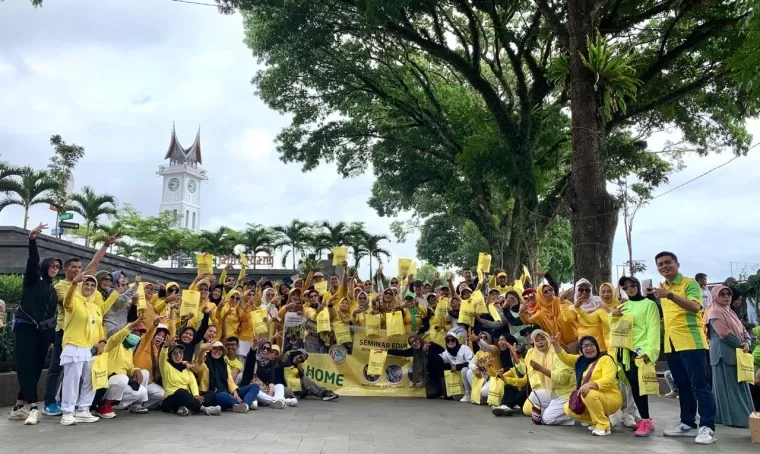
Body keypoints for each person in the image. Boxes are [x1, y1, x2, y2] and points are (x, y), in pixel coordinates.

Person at [652, 251, 716, 444]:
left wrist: (669, 295)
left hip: (691, 342)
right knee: (683, 386)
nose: (664, 266)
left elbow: (696, 307)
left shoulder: (690, 284)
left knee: (701, 386)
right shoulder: (662, 288)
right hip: (671, 345)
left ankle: (707, 427)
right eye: (660, 264)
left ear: (677, 264)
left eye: (667, 262)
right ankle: (687, 423)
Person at [10, 223, 61, 424]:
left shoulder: (53, 289)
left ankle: (18, 406)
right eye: (52, 265)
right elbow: (33, 262)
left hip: (43, 333)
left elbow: (50, 314)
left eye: (57, 267)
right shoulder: (33, 280)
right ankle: (33, 406)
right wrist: (32, 240)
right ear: (45, 267)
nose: (55, 269)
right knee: (25, 367)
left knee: (36, 367)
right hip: (26, 328)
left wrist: (50, 338)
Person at [613, 276, 661, 437]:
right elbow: (613, 326)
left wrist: (649, 351)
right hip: (623, 352)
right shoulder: (624, 306)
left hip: (639, 352)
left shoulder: (649, 305)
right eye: (625, 287)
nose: (629, 289)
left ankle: (646, 420)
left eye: (632, 285)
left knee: (640, 388)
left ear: (638, 286)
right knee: (633, 387)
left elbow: (653, 329)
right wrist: (612, 315)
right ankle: (643, 418)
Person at [496, 329, 574, 425]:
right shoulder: (536, 353)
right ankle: (553, 410)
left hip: (565, 392)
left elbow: (563, 378)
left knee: (546, 419)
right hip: (551, 390)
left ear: (548, 339)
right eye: (537, 340)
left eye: (543, 339)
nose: (540, 342)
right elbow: (527, 371)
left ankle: (571, 413)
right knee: (534, 396)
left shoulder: (556, 352)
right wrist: (514, 357)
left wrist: (541, 369)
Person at [704, 285, 754, 428]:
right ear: (715, 296)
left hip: (735, 352)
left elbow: (742, 329)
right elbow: (724, 334)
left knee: (736, 387)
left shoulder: (729, 311)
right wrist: (741, 344)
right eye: (722, 294)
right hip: (722, 355)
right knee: (728, 389)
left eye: (728, 294)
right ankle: (736, 419)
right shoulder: (714, 312)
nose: (726, 297)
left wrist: (747, 342)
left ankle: (740, 417)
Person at [552, 335, 621, 436]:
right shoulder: (580, 361)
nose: (588, 348)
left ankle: (603, 426)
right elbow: (565, 357)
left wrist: (591, 384)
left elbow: (608, 380)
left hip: (610, 397)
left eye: (591, 345)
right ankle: (599, 421)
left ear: (597, 346)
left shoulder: (606, 359)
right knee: (569, 408)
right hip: (590, 397)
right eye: (584, 346)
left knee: (589, 393)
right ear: (581, 350)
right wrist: (555, 344)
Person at [59, 274, 104, 426]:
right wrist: (73, 284)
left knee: (91, 379)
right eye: (86, 284)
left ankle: (83, 410)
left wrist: (102, 341)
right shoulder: (73, 299)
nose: (89, 287)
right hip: (75, 345)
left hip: (90, 349)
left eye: (92, 285)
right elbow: (66, 303)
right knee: (72, 380)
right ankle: (68, 412)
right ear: (80, 286)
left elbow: (99, 326)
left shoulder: (96, 307)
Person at [100, 315, 155, 417]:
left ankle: (117, 405)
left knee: (142, 391)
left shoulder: (129, 350)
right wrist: (129, 327)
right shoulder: (114, 344)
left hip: (120, 383)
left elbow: (129, 368)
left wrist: (136, 369)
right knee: (122, 379)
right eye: (134, 333)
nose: (136, 337)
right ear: (127, 333)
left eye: (139, 335)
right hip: (105, 382)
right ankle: (103, 406)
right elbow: (117, 338)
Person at [159, 340, 221, 416]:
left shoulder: (186, 368)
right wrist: (165, 347)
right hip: (171, 399)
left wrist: (196, 395)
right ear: (170, 355)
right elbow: (162, 358)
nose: (178, 355)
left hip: (187, 397)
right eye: (174, 353)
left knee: (210, 394)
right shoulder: (166, 366)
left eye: (180, 352)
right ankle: (204, 409)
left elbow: (193, 382)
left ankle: (187, 409)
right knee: (181, 392)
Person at [196, 341, 260, 412]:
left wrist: (235, 393)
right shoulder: (204, 363)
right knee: (223, 395)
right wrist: (203, 351)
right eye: (215, 349)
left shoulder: (224, 365)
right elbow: (199, 364)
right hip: (214, 394)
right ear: (210, 350)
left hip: (228, 391)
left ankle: (245, 404)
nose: (217, 351)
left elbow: (230, 380)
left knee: (255, 386)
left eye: (220, 349)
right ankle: (242, 403)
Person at [518, 284, 577, 352]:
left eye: (550, 289)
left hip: (575, 344)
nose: (549, 292)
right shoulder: (541, 314)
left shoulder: (564, 302)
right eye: (545, 292)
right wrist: (521, 312)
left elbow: (576, 317)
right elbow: (527, 321)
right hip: (559, 348)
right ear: (541, 295)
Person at [388, 334, 445, 399]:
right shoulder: (415, 351)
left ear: (419, 339)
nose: (414, 343)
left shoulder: (430, 345)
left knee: (445, 393)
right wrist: (386, 350)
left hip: (443, 372)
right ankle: (439, 389)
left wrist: (426, 352)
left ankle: (443, 387)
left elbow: (440, 359)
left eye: (415, 340)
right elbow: (402, 352)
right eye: (411, 343)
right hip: (432, 376)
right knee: (431, 394)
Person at [565, 279, 610, 353]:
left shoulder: (599, 302)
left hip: (600, 344)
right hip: (584, 343)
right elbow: (568, 319)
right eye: (581, 290)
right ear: (576, 291)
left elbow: (609, 314)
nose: (584, 292)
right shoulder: (573, 307)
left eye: (587, 290)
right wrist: (562, 301)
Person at [439, 331, 474, 398]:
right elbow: (439, 359)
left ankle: (469, 392)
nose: (450, 342)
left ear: (456, 340)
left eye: (452, 340)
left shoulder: (464, 348)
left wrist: (457, 367)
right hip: (457, 379)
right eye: (448, 340)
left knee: (464, 370)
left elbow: (471, 363)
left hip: (469, 375)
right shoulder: (446, 352)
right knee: (456, 398)